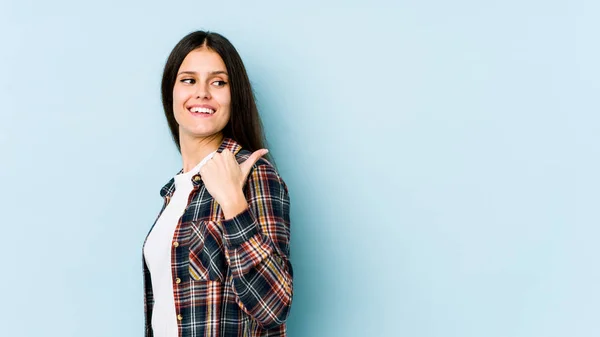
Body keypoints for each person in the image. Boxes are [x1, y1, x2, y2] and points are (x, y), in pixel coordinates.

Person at [142, 30, 293, 337]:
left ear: (233, 95)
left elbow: (274, 307)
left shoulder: (252, 174)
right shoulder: (175, 192)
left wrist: (233, 204)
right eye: (188, 80)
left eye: (218, 82)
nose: (202, 93)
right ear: (170, 91)